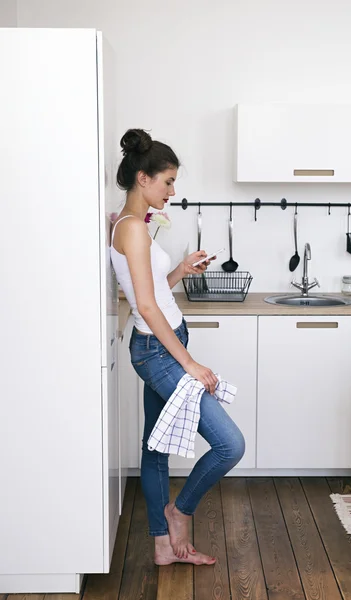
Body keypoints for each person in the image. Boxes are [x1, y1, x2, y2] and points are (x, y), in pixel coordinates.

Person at [110, 129, 245, 566]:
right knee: (230, 444)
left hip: (164, 341)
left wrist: (182, 270)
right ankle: (178, 511)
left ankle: (163, 548)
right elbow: (145, 306)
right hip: (159, 350)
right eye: (168, 181)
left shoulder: (133, 226)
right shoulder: (130, 229)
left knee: (154, 448)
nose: (172, 190)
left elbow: (150, 292)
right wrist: (188, 363)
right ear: (144, 179)